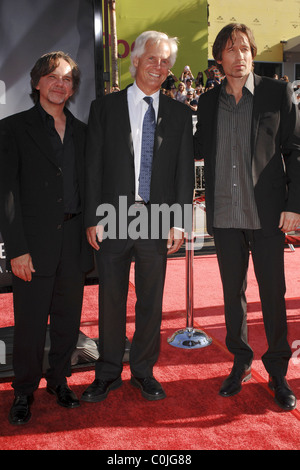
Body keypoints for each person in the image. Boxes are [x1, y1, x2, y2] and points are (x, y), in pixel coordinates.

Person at [82, 30, 194, 403]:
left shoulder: (179, 112)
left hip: (158, 218)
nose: (159, 67)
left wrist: (180, 220)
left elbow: (182, 172)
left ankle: (143, 371)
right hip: (113, 217)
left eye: (165, 61)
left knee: (151, 301)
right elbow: (92, 167)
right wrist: (92, 218)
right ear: (135, 61)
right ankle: (108, 372)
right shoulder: (105, 108)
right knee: (110, 300)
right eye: (152, 58)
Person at [194, 23, 300, 411]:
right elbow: (193, 149)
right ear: (218, 58)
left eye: (245, 49)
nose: (239, 56)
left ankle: (277, 372)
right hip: (224, 215)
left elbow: (296, 149)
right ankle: (240, 361)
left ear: (252, 54)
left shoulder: (276, 92)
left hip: (269, 215)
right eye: (230, 49)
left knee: (273, 295)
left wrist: (295, 204)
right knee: (232, 296)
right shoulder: (207, 102)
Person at [0, 52, 93, 425]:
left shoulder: (84, 132)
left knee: (68, 320)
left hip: (73, 239)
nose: (60, 84)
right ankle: (23, 390)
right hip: (33, 244)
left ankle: (59, 381)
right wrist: (17, 248)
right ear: (37, 82)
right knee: (31, 322)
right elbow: (6, 194)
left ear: (73, 89)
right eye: (53, 77)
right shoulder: (12, 128)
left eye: (67, 79)